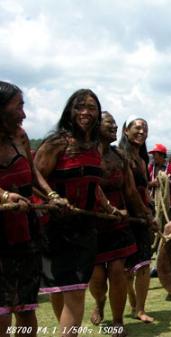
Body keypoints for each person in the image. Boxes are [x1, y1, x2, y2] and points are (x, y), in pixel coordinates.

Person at [35, 89, 123, 337]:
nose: (85, 112)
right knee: (62, 291)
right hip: (54, 229)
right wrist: (52, 197)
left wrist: (109, 207)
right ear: (70, 111)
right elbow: (34, 177)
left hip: (85, 230)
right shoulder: (57, 143)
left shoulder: (95, 147)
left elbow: (92, 186)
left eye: (91, 107)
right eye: (79, 107)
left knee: (74, 292)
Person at [0, 81, 67, 337]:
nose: (24, 114)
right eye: (19, 107)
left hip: (26, 232)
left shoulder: (20, 135)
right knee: (2, 313)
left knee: (26, 308)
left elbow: (32, 172)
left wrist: (51, 195)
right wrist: (5, 195)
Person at [89, 112, 155, 336]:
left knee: (118, 271)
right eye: (110, 124)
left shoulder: (120, 157)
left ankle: (118, 321)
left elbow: (130, 191)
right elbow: (89, 186)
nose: (114, 126)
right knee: (97, 277)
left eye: (116, 123)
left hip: (120, 223)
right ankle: (99, 301)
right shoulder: (85, 155)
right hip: (93, 223)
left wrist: (145, 213)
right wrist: (108, 208)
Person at [119, 116, 155, 323]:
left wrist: (150, 210)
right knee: (124, 270)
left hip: (142, 217)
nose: (142, 132)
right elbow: (129, 191)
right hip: (124, 215)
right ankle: (131, 303)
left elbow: (143, 191)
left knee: (143, 265)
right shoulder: (118, 155)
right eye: (138, 127)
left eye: (145, 128)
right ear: (125, 130)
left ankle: (140, 309)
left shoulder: (142, 159)